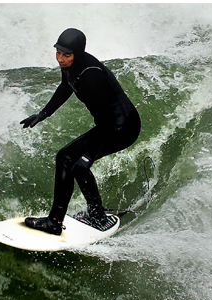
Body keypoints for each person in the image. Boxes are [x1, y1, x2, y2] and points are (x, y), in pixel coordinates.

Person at [20, 28, 141, 235]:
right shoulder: (70, 65)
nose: (60, 59)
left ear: (77, 54)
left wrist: (87, 156)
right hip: (108, 124)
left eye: (66, 55)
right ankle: (78, 216)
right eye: (58, 52)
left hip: (122, 127)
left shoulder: (90, 75)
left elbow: (105, 121)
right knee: (68, 160)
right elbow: (66, 86)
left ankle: (71, 219)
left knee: (74, 162)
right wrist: (43, 114)